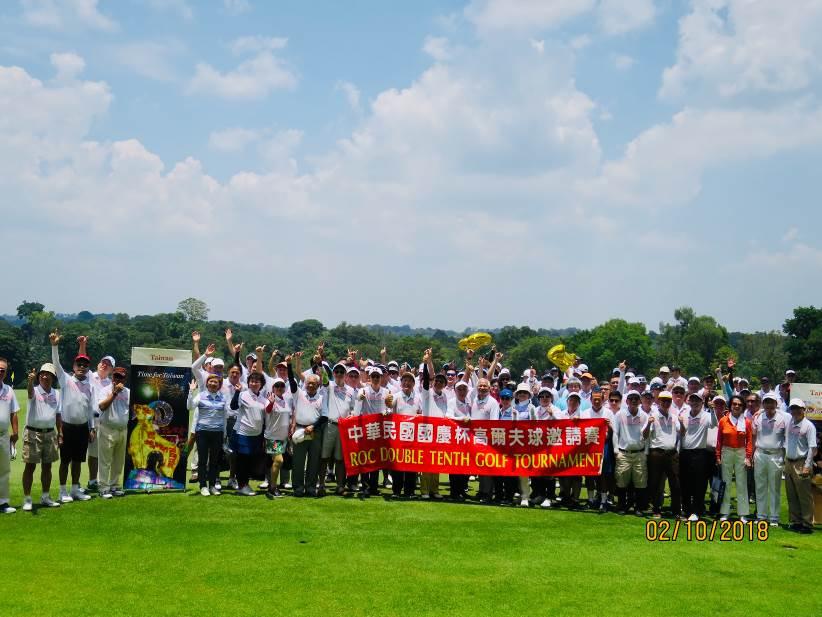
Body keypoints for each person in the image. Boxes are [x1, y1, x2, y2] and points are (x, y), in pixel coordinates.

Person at [50, 332, 94, 503]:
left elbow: (90, 409)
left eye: (85, 365)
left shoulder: (89, 385)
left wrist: (92, 427)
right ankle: (62, 491)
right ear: (74, 366)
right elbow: (56, 363)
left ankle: (75, 490)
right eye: (79, 364)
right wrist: (54, 345)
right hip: (67, 427)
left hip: (82, 428)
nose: (82, 367)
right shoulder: (65, 380)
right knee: (65, 461)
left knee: (77, 461)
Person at [21, 364, 62, 510]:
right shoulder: (35, 390)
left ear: (53, 377)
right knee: (30, 466)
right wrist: (30, 382)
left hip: (50, 433)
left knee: (47, 466)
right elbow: (30, 392)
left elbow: (58, 416)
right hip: (33, 433)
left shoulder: (57, 394)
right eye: (42, 374)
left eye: (48, 374)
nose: (45, 376)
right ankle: (27, 499)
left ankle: (45, 497)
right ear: (39, 376)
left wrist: (60, 433)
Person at [288, 354, 328, 498]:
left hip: (315, 432)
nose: (310, 385)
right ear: (305, 384)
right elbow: (292, 382)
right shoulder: (299, 394)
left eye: (313, 383)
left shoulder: (322, 397)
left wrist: (314, 426)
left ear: (318, 385)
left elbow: (324, 416)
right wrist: (289, 365)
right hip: (300, 430)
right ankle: (298, 487)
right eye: (308, 383)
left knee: (313, 462)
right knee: (298, 462)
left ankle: (310, 487)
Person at [185, 374, 229, 496]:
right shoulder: (201, 395)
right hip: (202, 433)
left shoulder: (223, 398)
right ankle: (203, 486)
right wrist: (191, 391)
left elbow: (224, 417)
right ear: (207, 383)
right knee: (203, 460)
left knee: (214, 461)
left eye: (215, 382)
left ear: (219, 385)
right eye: (211, 381)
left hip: (217, 433)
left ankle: (213, 486)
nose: (213, 384)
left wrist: (224, 434)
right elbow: (189, 407)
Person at [230, 363, 268, 496]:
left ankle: (245, 484)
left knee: (251, 460)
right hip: (243, 433)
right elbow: (234, 406)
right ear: (249, 382)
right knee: (243, 460)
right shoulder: (243, 394)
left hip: (256, 435)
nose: (254, 383)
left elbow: (264, 418)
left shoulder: (263, 399)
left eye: (257, 381)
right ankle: (242, 486)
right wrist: (237, 392)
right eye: (252, 381)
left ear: (261, 384)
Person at [752, 392, 790, 526]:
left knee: (775, 487)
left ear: (776, 404)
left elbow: (787, 439)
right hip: (760, 454)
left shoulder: (785, 418)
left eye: (771, 402)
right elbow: (754, 436)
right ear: (763, 404)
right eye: (766, 402)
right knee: (760, 486)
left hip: (776, 455)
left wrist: (785, 458)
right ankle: (761, 516)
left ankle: (774, 517)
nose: (769, 405)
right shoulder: (758, 417)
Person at [354, 365, 392, 497]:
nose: (375, 378)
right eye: (373, 376)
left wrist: (387, 411)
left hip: (379, 430)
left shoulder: (386, 392)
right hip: (366, 429)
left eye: (378, 376)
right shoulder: (364, 390)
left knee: (375, 460)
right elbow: (358, 398)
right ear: (369, 378)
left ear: (381, 378)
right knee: (365, 458)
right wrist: (361, 396)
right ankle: (365, 486)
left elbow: (389, 410)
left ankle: (374, 486)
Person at [715, 394, 753, 522]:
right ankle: (725, 512)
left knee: (741, 483)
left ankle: (743, 513)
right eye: (734, 404)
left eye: (740, 405)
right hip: (727, 451)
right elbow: (719, 440)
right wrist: (718, 456)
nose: (737, 406)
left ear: (743, 407)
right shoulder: (723, 420)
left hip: (740, 452)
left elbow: (749, 441)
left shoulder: (746, 422)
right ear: (730, 406)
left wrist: (748, 457)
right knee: (726, 482)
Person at [612, 390, 649, 515]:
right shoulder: (619, 414)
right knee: (622, 481)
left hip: (639, 453)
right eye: (631, 398)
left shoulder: (644, 416)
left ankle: (638, 508)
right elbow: (615, 433)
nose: (633, 401)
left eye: (636, 398)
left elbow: (647, 435)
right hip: (624, 452)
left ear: (640, 401)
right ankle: (622, 506)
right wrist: (616, 450)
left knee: (640, 482)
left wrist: (646, 452)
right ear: (626, 401)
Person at [321, 360, 356, 496]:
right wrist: (320, 362)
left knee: (340, 459)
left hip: (344, 427)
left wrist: (351, 416)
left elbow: (353, 408)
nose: (339, 374)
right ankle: (322, 485)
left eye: (342, 372)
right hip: (330, 425)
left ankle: (340, 486)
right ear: (333, 374)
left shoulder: (351, 390)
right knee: (324, 457)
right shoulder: (329, 385)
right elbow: (324, 378)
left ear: (345, 374)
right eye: (337, 372)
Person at [95, 367, 130, 499]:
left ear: (124, 379)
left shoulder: (128, 392)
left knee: (118, 461)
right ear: (112, 377)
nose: (118, 379)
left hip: (122, 430)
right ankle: (103, 487)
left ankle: (115, 485)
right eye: (116, 377)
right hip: (107, 429)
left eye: (120, 377)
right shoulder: (105, 390)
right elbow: (102, 406)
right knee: (105, 461)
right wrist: (114, 393)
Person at [784, 398, 818, 533]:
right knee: (791, 494)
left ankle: (807, 523)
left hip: (801, 462)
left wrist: (807, 466)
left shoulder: (808, 426)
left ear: (803, 409)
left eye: (798, 408)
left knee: (804, 495)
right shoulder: (790, 423)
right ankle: (796, 521)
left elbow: (812, 447)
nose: (795, 411)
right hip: (789, 462)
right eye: (793, 408)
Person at [646, 391, 682, 519]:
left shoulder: (674, 416)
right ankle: (656, 509)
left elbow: (682, 432)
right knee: (656, 483)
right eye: (663, 401)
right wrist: (649, 423)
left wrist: (682, 422)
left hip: (671, 453)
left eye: (668, 401)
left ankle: (676, 510)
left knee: (676, 483)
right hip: (657, 452)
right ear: (659, 401)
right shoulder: (653, 416)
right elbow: (645, 435)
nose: (666, 403)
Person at [391, 371, 424, 498]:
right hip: (398, 436)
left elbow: (421, 413)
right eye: (404, 380)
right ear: (401, 383)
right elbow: (388, 409)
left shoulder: (417, 398)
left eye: (410, 381)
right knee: (398, 464)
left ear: (413, 384)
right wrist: (388, 405)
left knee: (411, 464)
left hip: (413, 437)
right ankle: (397, 491)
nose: (407, 383)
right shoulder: (396, 396)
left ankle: (410, 491)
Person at [263, 378, 292, 499]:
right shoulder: (270, 400)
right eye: (277, 386)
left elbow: (288, 417)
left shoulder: (286, 401)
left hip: (283, 438)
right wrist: (270, 403)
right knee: (279, 460)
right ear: (273, 388)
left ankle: (272, 485)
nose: (279, 388)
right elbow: (267, 410)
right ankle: (273, 487)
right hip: (273, 438)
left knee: (276, 463)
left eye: (281, 386)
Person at [0, 357, 20, 513]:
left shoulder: (9, 390)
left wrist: (15, 432)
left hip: (3, 436)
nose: (0, 372)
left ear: (6, 373)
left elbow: (14, 413)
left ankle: (3, 503)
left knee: (4, 470)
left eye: (3, 370)